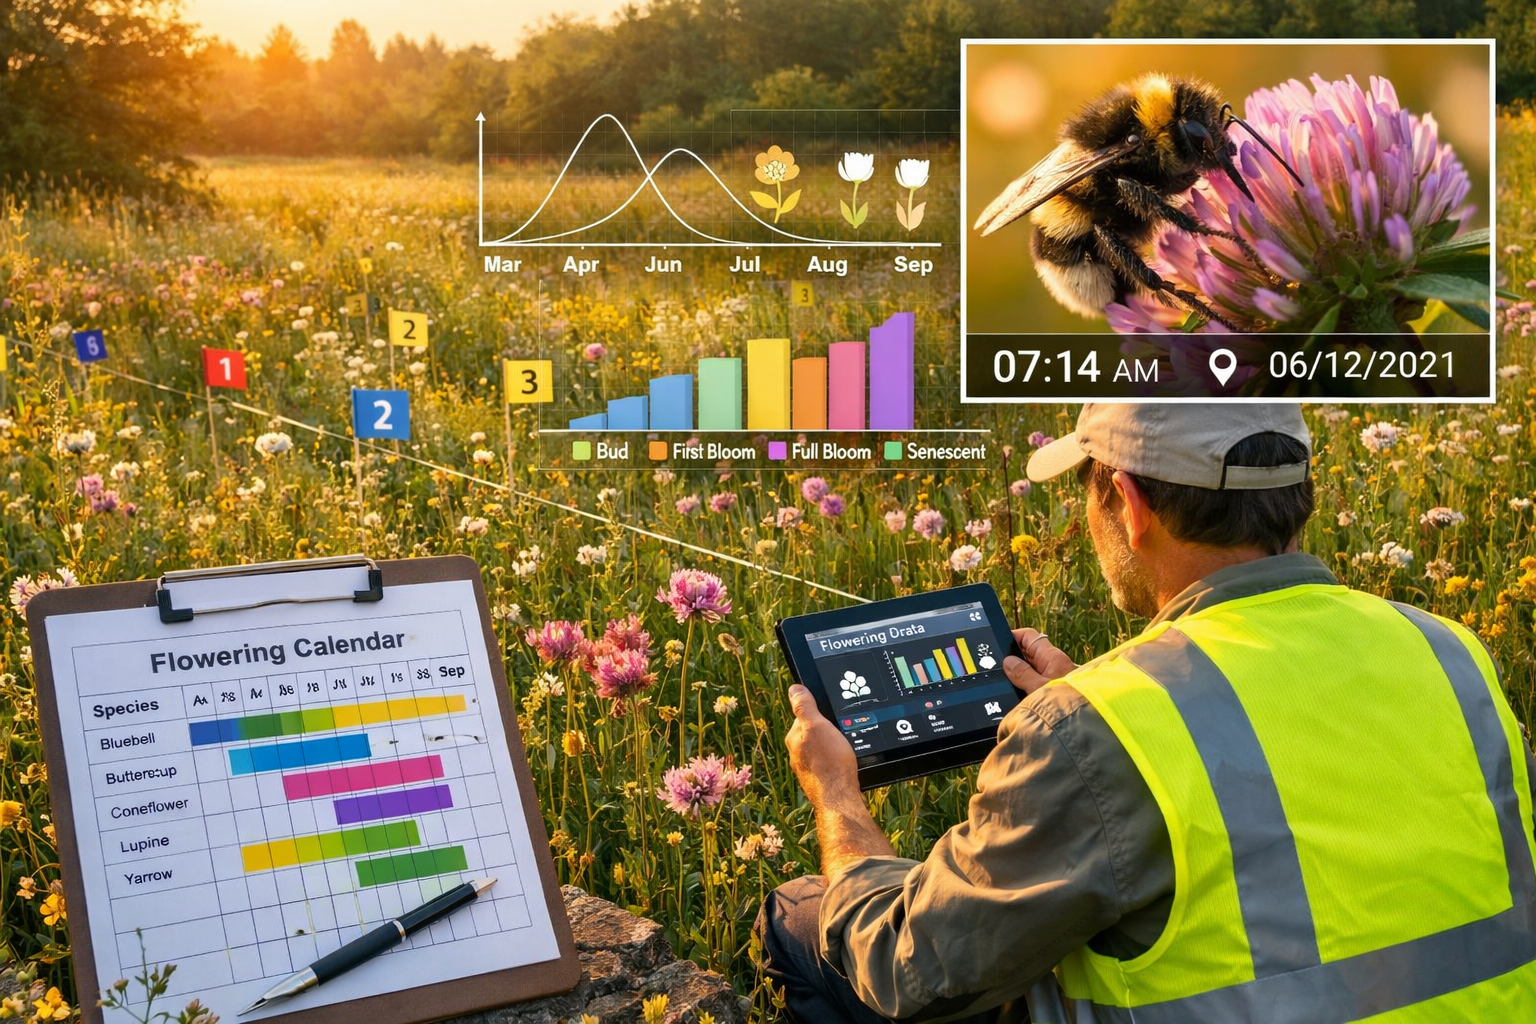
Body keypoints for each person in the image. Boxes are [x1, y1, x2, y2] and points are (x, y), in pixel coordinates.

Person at [755, 403, 1536, 1023]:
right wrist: (1095, 704)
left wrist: (837, 797)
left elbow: (911, 975)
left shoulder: (1094, 729)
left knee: (802, 916)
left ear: (1128, 503)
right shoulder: (1446, 648)